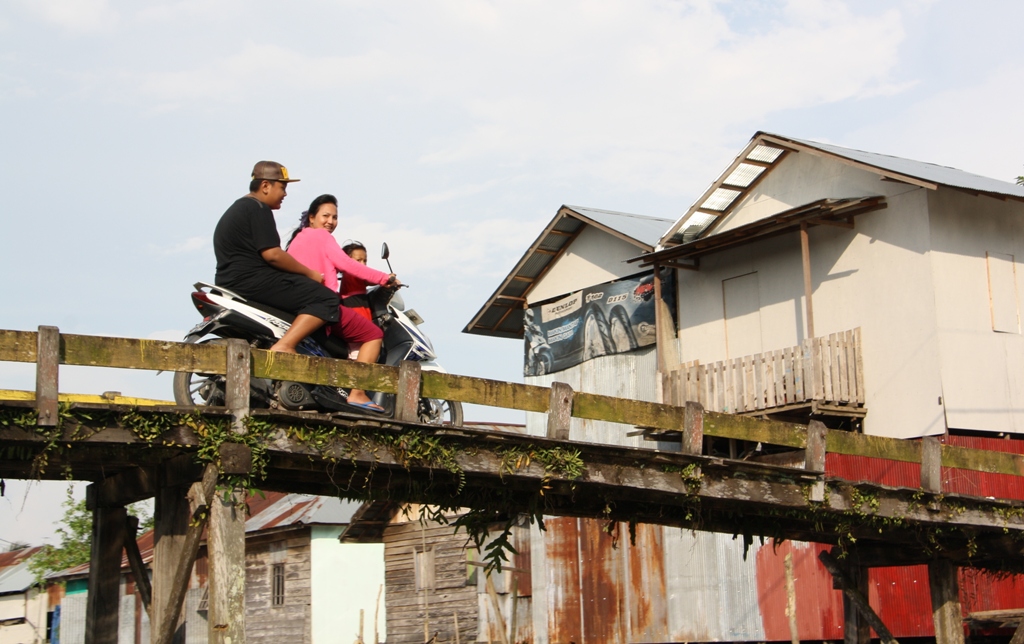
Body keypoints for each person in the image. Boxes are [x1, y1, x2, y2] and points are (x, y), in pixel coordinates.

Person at [286, 194, 400, 411]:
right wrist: (386, 278)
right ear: (311, 218)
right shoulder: (323, 238)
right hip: (322, 308)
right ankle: (357, 392)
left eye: (335, 217)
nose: (330, 222)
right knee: (374, 335)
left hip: (298, 305)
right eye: (325, 216)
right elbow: (348, 265)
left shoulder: (297, 240)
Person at [213, 161, 339, 354]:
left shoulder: (238, 209)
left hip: (231, 281)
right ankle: (286, 345)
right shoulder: (258, 208)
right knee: (327, 299)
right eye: (282, 187)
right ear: (265, 186)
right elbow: (273, 255)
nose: (285, 194)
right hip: (251, 281)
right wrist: (310, 273)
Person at [340, 241, 374, 322]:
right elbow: (370, 279)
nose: (363, 264)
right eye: (358, 260)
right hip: (355, 310)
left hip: (361, 307)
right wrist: (386, 279)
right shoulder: (351, 273)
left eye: (365, 261)